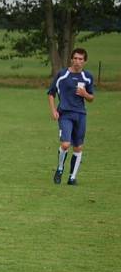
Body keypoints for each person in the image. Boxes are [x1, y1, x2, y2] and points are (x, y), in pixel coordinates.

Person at [48, 48, 95, 186]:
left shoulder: (88, 77)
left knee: (78, 147)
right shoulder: (62, 75)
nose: (77, 61)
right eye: (75, 58)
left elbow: (91, 98)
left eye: (81, 59)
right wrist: (53, 111)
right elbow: (51, 93)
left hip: (80, 115)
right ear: (71, 59)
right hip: (65, 114)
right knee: (65, 144)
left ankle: (72, 178)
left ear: (84, 61)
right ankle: (60, 168)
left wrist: (85, 94)